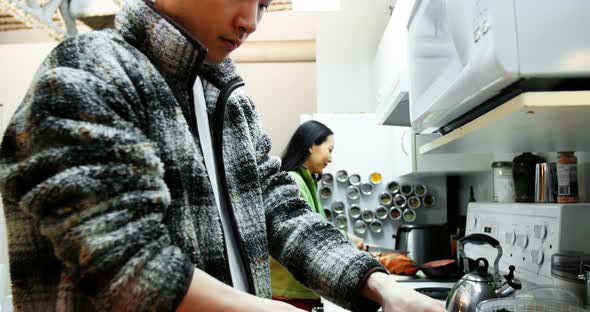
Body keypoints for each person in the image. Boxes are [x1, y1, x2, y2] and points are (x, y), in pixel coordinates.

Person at [0, 0, 445, 311]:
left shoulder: (228, 102)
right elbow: (126, 263)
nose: (251, 21)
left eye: (266, 5)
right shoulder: (88, 72)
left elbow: (283, 212)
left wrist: (382, 286)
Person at [270, 120, 365, 311]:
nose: (330, 159)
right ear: (312, 145)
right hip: (289, 293)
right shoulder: (294, 181)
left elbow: (317, 226)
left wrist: (349, 238)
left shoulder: (305, 181)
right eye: (329, 149)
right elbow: (305, 236)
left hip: (296, 289)